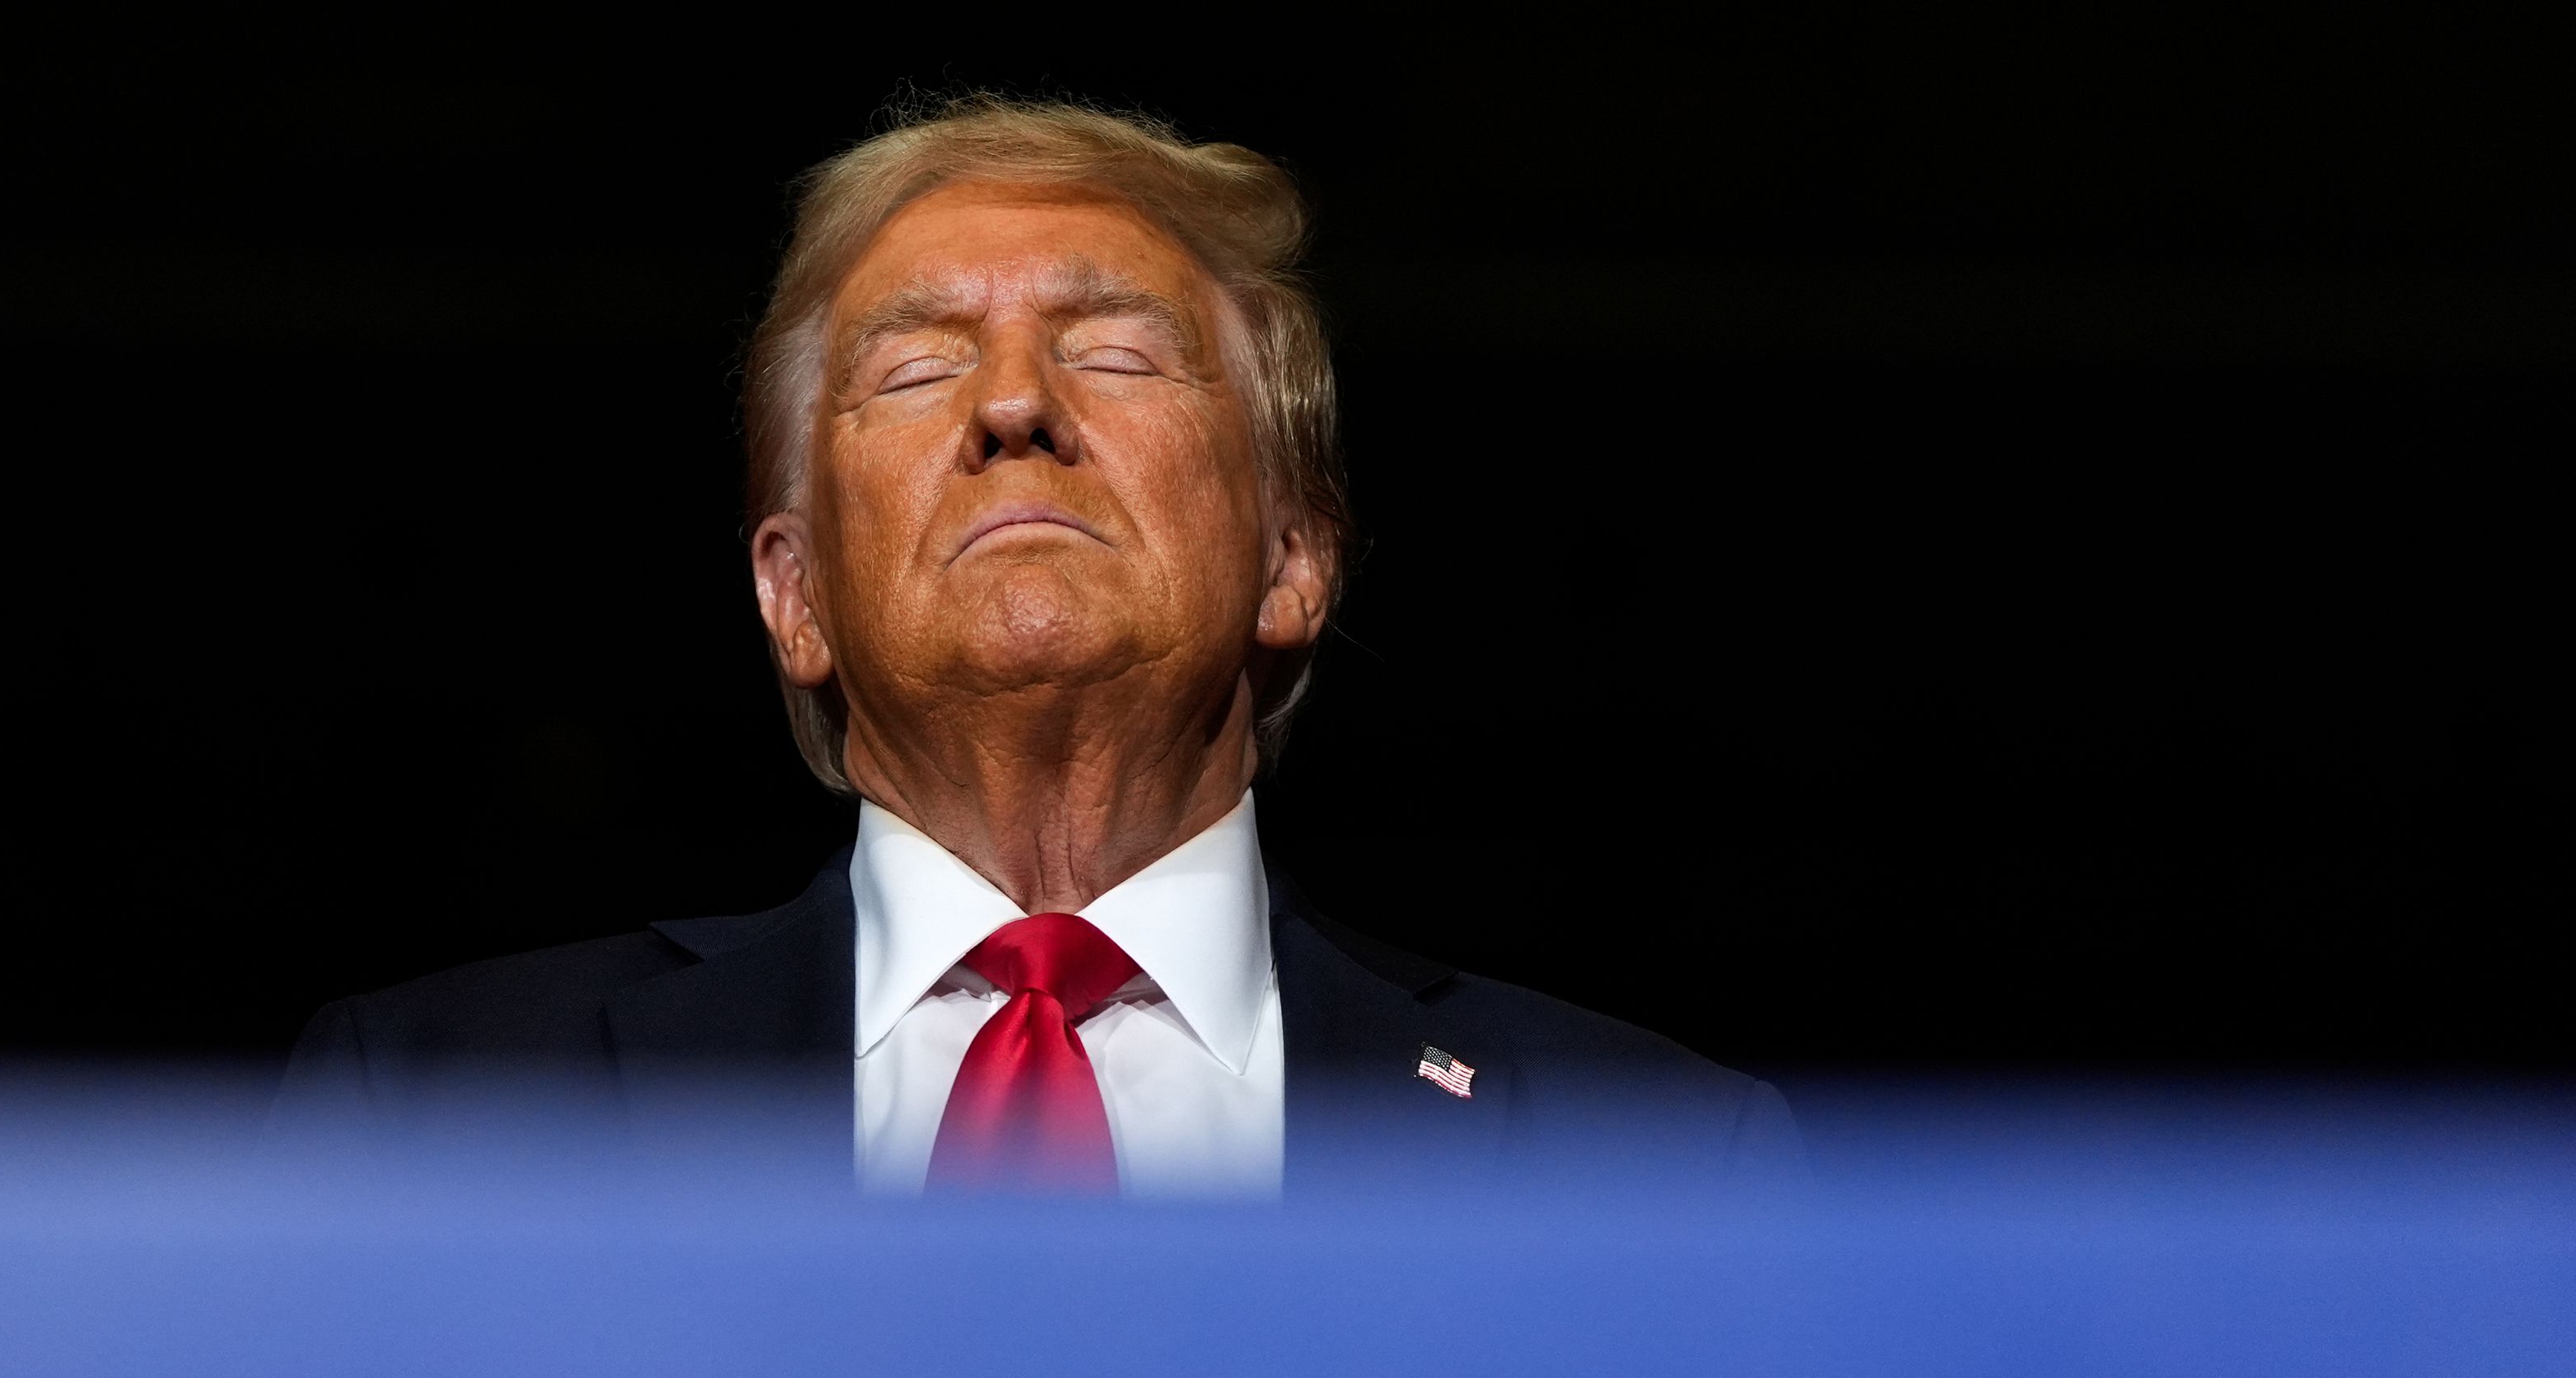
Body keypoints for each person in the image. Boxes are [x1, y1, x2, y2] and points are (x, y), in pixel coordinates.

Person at [278, 97, 1800, 1194]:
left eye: (1118, 352)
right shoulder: (429, 1114)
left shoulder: (1663, 1163)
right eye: (919, 365)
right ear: (793, 593)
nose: (1014, 405)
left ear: (1292, 560)